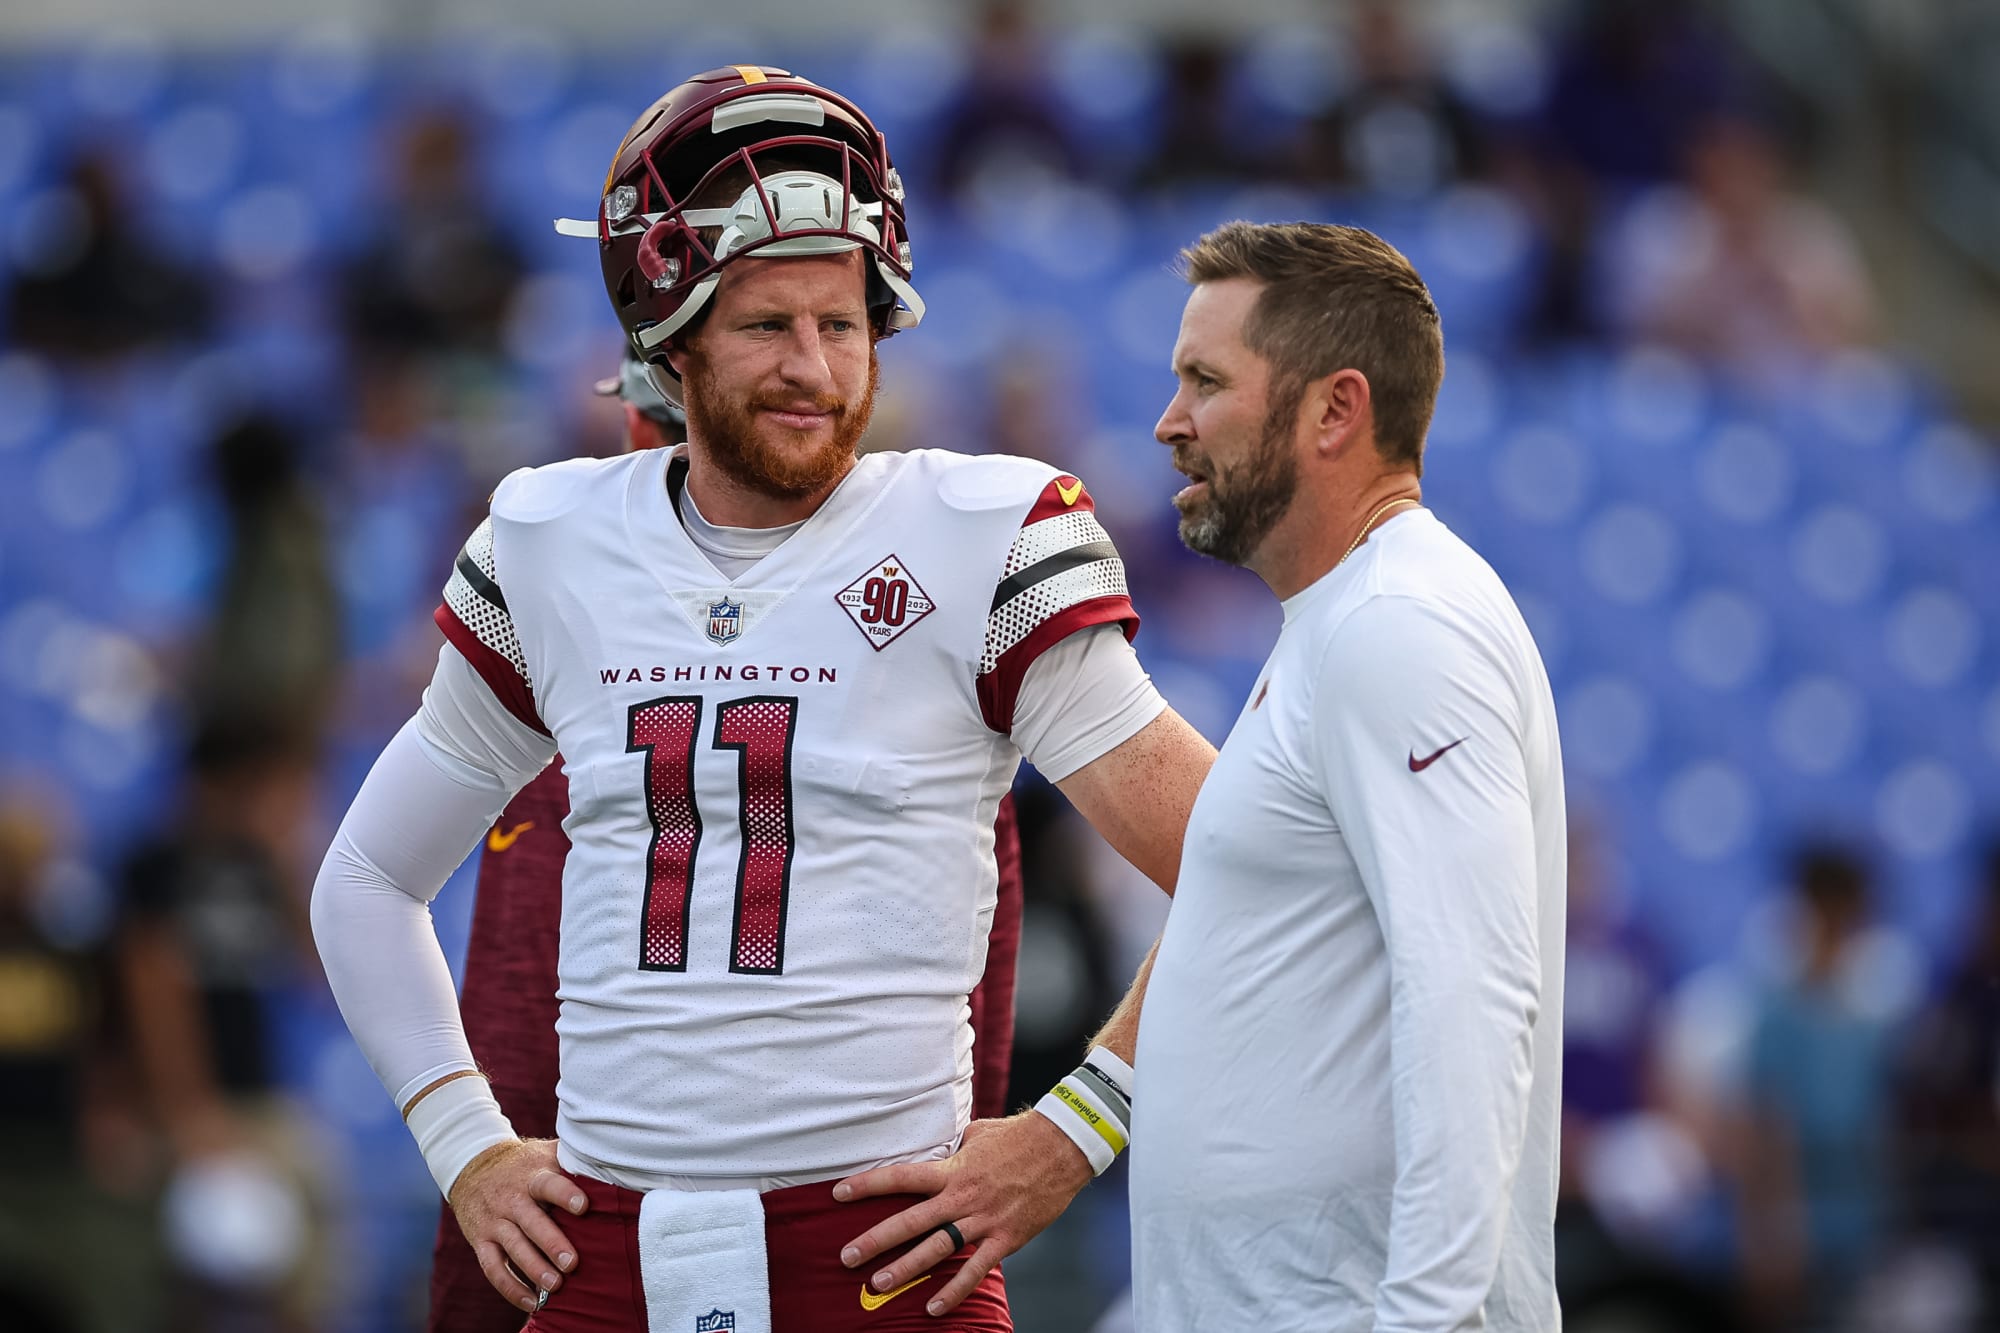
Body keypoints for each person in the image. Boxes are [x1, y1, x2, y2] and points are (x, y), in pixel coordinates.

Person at [311, 65, 1213, 1332]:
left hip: (891, 1260)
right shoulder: (554, 542)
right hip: (603, 1257)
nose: (814, 368)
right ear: (667, 339)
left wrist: (1073, 1130)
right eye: (764, 325)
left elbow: (1249, 866)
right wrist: (463, 1139)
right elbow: (361, 881)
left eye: (841, 324)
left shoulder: (977, 536)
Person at [424, 354, 1032, 1333]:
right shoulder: (568, 667)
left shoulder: (578, 683)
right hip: (719, 1241)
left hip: (751, 1237)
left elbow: (509, 1031)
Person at [1127, 221, 1567, 1330]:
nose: (1167, 423)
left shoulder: (1394, 625)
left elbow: (1471, 995)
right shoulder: (1346, 621)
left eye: (1203, 382)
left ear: (1334, 410)